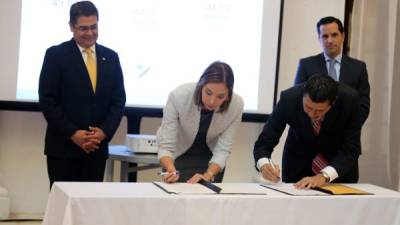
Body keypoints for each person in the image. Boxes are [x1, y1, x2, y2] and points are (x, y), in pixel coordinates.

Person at [38, 1, 126, 188]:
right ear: (71, 27)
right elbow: (48, 100)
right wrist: (73, 133)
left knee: (90, 208)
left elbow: (118, 101)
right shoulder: (56, 55)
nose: (89, 33)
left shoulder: (111, 57)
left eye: (94, 27)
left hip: (96, 150)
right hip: (63, 149)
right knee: (62, 210)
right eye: (83, 28)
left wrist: (103, 132)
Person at [254, 75, 361, 189]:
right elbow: (265, 141)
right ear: (303, 96)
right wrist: (263, 164)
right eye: (308, 107)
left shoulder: (350, 100)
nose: (312, 114)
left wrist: (324, 175)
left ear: (332, 103)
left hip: (338, 169)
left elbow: (351, 148)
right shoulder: (289, 99)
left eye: (320, 110)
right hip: (298, 165)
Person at [157, 61, 244, 183]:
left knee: (209, 201)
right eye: (208, 93)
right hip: (178, 157)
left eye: (220, 97)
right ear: (201, 85)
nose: (212, 101)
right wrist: (171, 169)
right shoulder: (178, 96)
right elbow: (166, 145)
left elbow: (223, 150)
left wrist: (208, 175)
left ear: (228, 96)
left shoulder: (236, 105)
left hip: (212, 161)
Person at [294, 16, 370, 125]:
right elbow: (298, 99)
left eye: (334, 35)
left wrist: (351, 126)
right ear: (319, 38)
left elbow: (364, 104)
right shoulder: (306, 65)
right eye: (325, 36)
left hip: (345, 135)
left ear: (342, 36)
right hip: (313, 133)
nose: (329, 40)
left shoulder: (358, 68)